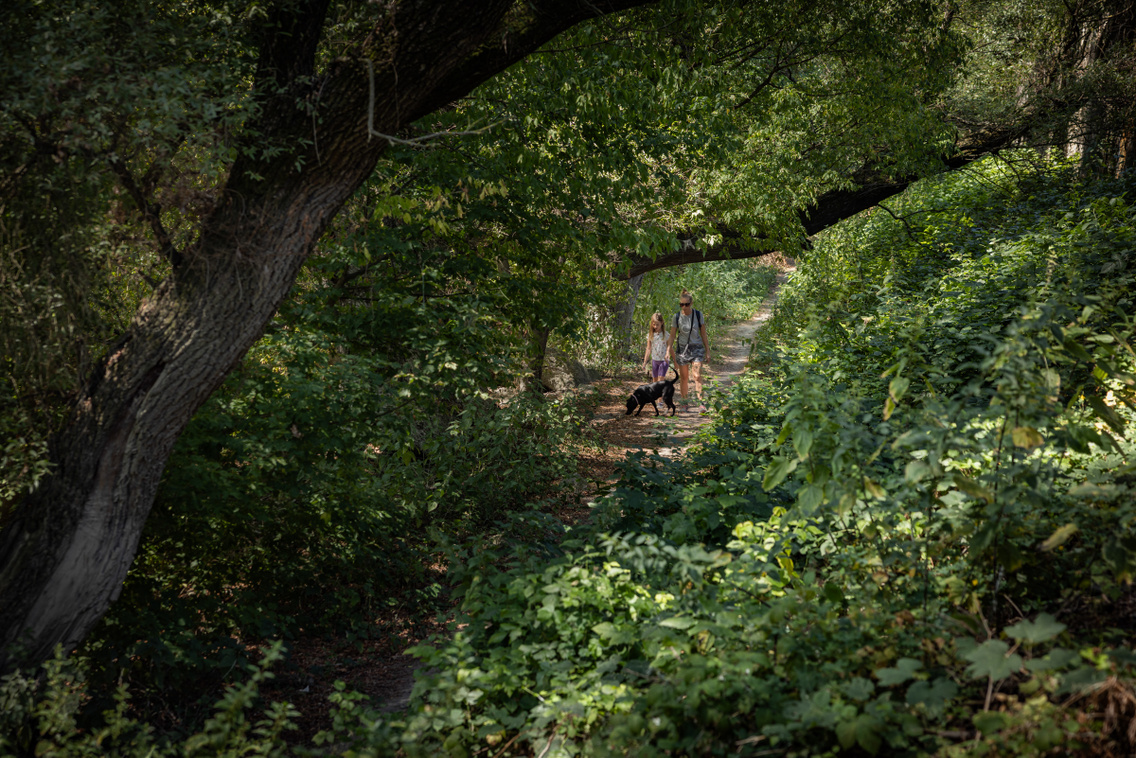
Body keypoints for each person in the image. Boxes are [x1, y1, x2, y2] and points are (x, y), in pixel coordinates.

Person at [668, 289, 709, 412]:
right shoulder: (676, 317)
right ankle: (684, 403)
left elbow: (703, 333)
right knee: (684, 377)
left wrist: (708, 351)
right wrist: (667, 351)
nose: (684, 307)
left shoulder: (698, 315)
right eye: (681, 304)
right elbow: (672, 336)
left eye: (686, 304)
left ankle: (701, 403)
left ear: (691, 303)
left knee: (697, 375)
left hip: (696, 348)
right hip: (682, 349)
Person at [641, 312, 670, 381]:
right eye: (654, 324)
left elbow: (669, 346)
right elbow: (648, 349)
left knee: (660, 380)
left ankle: (660, 392)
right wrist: (645, 362)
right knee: (655, 381)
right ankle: (656, 392)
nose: (655, 326)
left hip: (664, 360)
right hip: (654, 360)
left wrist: (672, 358)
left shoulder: (666, 335)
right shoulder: (650, 335)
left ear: (662, 323)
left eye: (657, 324)